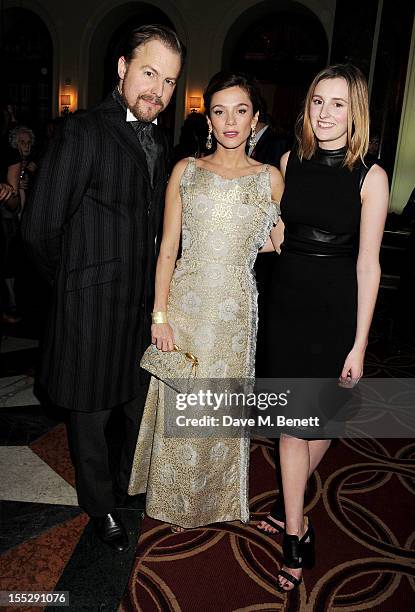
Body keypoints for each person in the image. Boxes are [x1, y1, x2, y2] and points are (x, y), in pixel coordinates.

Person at [21, 24, 185, 552]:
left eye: (169, 81)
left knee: (136, 407)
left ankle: (124, 485)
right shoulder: (84, 131)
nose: (157, 90)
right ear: (122, 68)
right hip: (90, 307)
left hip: (138, 309)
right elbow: (39, 228)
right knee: (89, 415)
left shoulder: (159, 139)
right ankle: (100, 506)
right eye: (148, 72)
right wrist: (73, 284)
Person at [128, 71, 284, 529]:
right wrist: (160, 315)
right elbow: (168, 249)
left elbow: (277, 239)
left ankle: (214, 499)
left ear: (255, 119)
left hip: (236, 309)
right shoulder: (187, 171)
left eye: (240, 111)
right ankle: (171, 496)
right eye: (219, 111)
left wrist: (277, 241)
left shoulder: (270, 179)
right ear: (209, 120)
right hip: (186, 303)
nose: (230, 121)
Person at [259, 64, 389, 591]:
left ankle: (291, 504)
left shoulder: (370, 176)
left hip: (335, 311)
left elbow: (369, 266)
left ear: (354, 111)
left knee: (324, 422)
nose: (325, 113)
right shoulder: (289, 160)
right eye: (317, 101)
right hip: (286, 307)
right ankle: (297, 532)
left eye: (338, 103)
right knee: (293, 427)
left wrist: (359, 344)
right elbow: (277, 236)